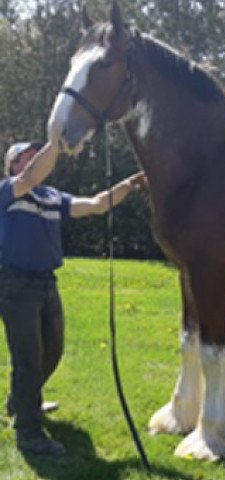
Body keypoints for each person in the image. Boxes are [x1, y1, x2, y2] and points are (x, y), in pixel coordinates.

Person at [0, 140, 145, 457]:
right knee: (28, 360)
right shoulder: (9, 190)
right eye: (27, 155)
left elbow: (96, 204)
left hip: (47, 283)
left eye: (37, 153)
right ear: (12, 164)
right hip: (15, 285)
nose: (35, 158)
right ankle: (29, 433)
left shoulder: (52, 197)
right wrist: (57, 142)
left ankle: (21, 402)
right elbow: (31, 177)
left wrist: (130, 184)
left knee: (53, 350)